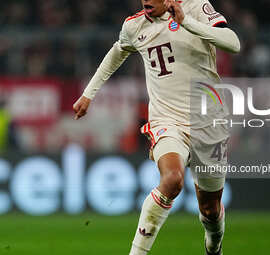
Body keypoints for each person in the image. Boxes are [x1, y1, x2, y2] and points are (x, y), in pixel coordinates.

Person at [73, 0, 240, 254]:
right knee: (172, 179)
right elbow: (118, 51)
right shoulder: (134, 25)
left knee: (210, 210)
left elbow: (233, 43)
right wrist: (88, 94)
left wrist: (188, 23)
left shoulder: (196, 6)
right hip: (167, 120)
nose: (146, 1)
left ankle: (213, 245)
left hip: (208, 124)